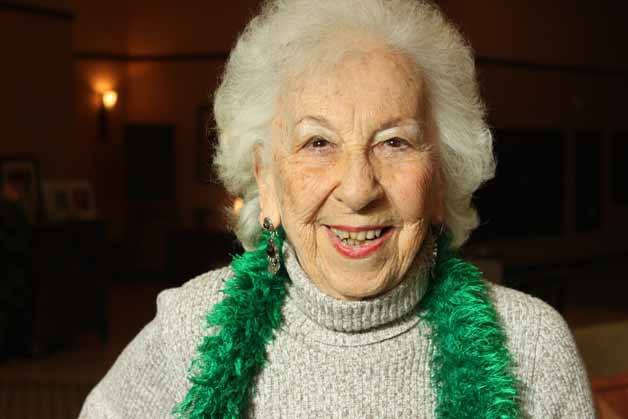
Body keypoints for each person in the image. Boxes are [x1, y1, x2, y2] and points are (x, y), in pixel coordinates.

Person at [80, 0, 595, 417]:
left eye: (394, 142)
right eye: (318, 143)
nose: (358, 189)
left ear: (441, 177)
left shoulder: (531, 347)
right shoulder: (191, 330)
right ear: (267, 181)